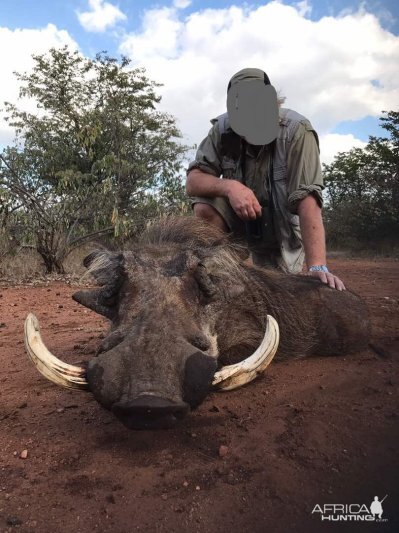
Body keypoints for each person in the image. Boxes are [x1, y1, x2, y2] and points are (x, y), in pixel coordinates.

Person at [186, 68, 345, 291]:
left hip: (283, 226)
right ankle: (214, 274)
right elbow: (193, 182)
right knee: (205, 205)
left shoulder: (298, 131)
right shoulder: (221, 131)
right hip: (241, 220)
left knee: (281, 291)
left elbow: (308, 198)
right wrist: (230, 187)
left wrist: (318, 266)